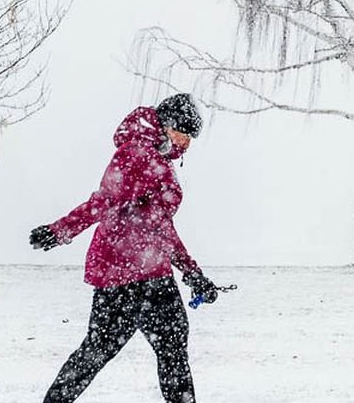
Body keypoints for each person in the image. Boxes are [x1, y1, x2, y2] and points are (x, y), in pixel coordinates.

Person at [29, 93, 222, 403]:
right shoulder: (136, 155)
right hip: (123, 272)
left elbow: (160, 227)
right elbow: (103, 203)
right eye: (183, 133)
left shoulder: (155, 158)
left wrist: (193, 274)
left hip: (151, 269)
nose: (187, 143)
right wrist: (61, 230)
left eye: (190, 137)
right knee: (102, 348)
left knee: (169, 342)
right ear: (167, 126)